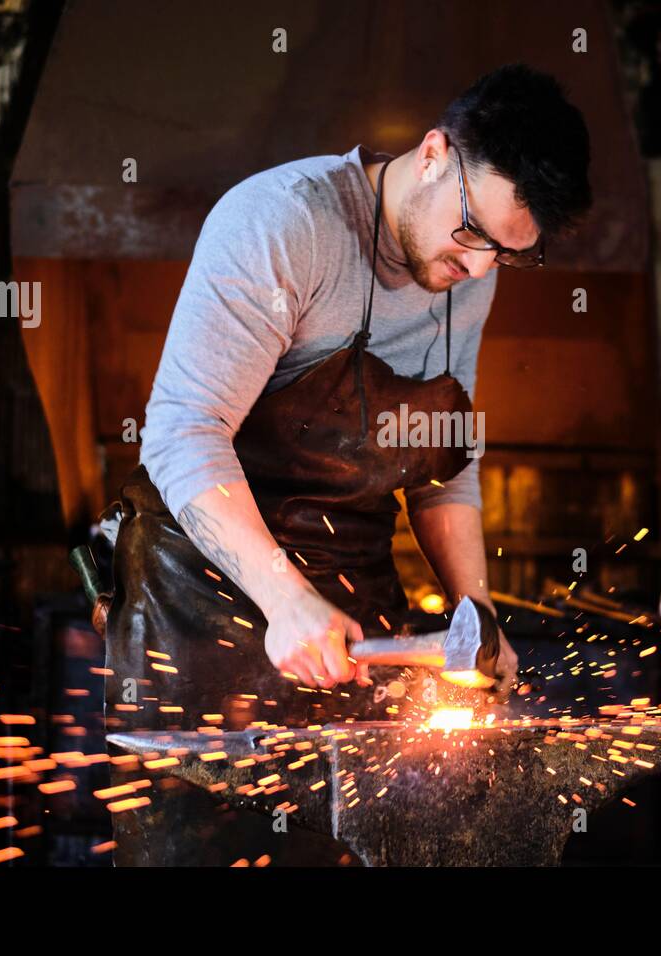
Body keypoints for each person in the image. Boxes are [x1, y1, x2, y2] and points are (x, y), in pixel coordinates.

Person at [105, 64, 592, 731]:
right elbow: (184, 430)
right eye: (475, 233)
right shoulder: (285, 222)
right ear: (431, 157)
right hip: (198, 609)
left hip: (354, 623)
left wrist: (474, 615)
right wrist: (285, 598)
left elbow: (443, 471)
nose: (479, 269)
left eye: (509, 255)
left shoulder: (471, 274)